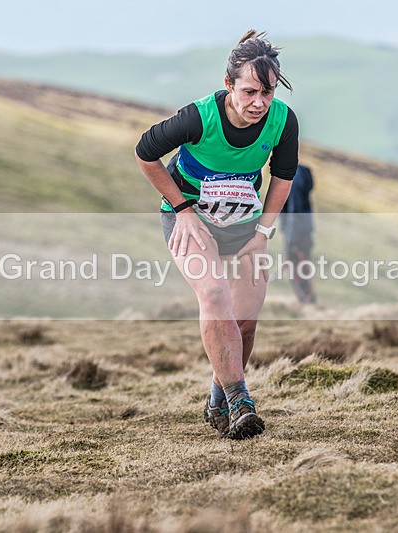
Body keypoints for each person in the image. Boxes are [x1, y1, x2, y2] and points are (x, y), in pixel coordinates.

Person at [135, 30, 299, 440]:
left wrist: (263, 232)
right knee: (213, 295)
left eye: (268, 92)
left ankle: (217, 398)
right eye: (249, 91)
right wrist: (183, 209)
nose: (259, 102)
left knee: (244, 322)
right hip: (191, 220)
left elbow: (283, 177)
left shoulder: (282, 121)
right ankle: (240, 400)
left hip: (245, 226)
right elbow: (145, 154)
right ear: (229, 85)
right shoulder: (199, 117)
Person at [280, 163, 316, 304]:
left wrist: (291, 238)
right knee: (303, 266)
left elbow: (294, 210)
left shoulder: (291, 176)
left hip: (296, 232)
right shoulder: (302, 171)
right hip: (306, 228)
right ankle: (308, 300)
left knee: (297, 268)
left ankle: (306, 301)